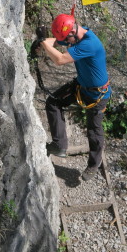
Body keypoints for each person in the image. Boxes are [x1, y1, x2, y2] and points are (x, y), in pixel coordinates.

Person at [39, 13, 111, 181]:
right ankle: (59, 145)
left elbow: (60, 60)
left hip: (97, 94)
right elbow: (54, 42)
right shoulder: (75, 36)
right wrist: (42, 40)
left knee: (94, 131)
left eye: (67, 39)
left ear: (72, 31)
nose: (67, 43)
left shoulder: (90, 44)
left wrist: (43, 42)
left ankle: (94, 164)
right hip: (81, 86)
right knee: (53, 103)